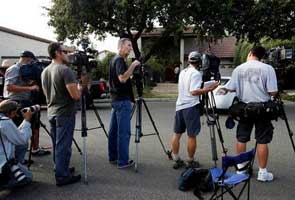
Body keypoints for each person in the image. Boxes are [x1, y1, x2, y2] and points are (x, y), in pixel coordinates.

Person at [217, 46, 278, 182]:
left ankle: (241, 169)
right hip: (262, 110)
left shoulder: (239, 69)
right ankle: (262, 172)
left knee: (242, 138)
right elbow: (273, 92)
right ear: (262, 57)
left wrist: (224, 90)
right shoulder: (268, 69)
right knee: (262, 140)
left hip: (244, 109)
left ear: (250, 53)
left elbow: (230, 87)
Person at [41, 42, 83, 186]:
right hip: (64, 113)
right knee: (63, 145)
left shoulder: (45, 71)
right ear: (58, 53)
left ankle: (60, 168)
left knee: (57, 144)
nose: (68, 54)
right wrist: (81, 88)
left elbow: (46, 94)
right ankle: (62, 176)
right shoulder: (65, 70)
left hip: (52, 112)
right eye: (65, 51)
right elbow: (75, 96)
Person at [171, 51, 219, 169]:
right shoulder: (196, 74)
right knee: (192, 135)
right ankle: (190, 160)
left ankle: (176, 158)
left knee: (177, 134)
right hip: (191, 106)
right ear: (200, 62)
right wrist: (210, 88)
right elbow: (193, 91)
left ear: (189, 60)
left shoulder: (183, 72)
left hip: (180, 106)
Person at [3, 51, 50, 164]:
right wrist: (30, 88)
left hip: (27, 101)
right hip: (17, 103)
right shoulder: (14, 69)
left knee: (33, 126)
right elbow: (9, 87)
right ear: (28, 58)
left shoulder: (27, 70)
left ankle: (35, 149)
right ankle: (17, 158)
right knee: (19, 130)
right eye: (32, 60)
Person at [108, 38, 140, 169]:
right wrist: (133, 66)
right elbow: (122, 78)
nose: (130, 48)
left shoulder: (114, 59)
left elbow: (120, 78)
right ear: (121, 46)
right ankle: (123, 161)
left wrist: (130, 74)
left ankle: (113, 156)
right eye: (128, 45)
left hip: (116, 100)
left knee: (114, 131)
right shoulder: (120, 60)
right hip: (122, 100)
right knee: (124, 132)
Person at [0, 99, 33, 187]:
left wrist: (24, 121)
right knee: (28, 177)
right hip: (3, 163)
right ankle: (4, 182)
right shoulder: (5, 122)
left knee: (21, 145)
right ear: (8, 112)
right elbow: (22, 139)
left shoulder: (2, 120)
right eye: (14, 113)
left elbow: (15, 134)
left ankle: (15, 168)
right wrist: (27, 120)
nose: (16, 115)